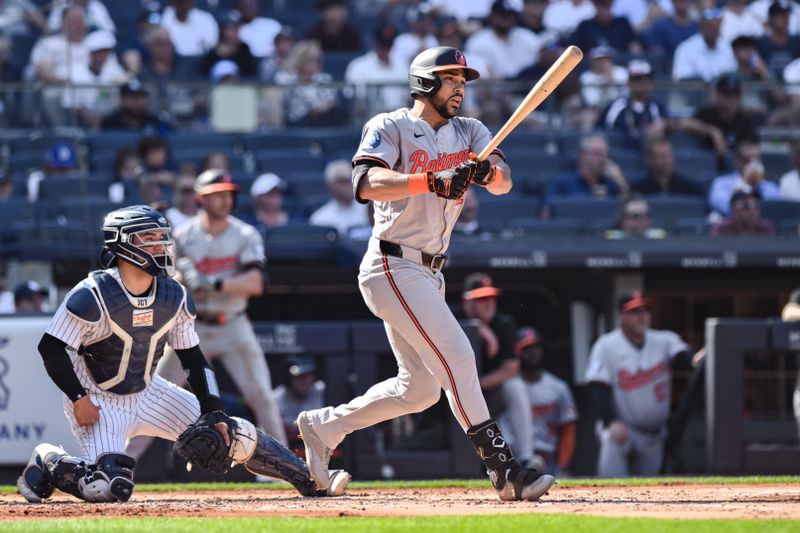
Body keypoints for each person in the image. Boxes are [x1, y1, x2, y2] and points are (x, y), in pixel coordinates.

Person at [295, 46, 555, 500]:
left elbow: (504, 181)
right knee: (459, 356)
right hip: (391, 263)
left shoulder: (471, 131)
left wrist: (484, 171)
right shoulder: (390, 125)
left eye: (463, 80)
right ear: (425, 82)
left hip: (430, 271)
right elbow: (365, 184)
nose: (460, 88)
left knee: (418, 391)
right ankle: (504, 470)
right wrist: (432, 180)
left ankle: (324, 427)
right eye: (451, 79)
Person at [16, 205, 350, 503]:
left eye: (162, 238)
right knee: (108, 488)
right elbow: (52, 347)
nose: (161, 246)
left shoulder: (174, 295)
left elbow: (193, 359)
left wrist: (214, 411)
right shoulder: (91, 294)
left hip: (149, 390)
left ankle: (311, 479)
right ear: (123, 244)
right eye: (149, 238)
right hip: (98, 400)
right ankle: (50, 461)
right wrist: (78, 398)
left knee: (235, 434)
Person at [585, 292, 695, 477]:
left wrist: (695, 359)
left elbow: (683, 359)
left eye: (645, 311)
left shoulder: (664, 339)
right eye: (635, 312)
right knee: (612, 480)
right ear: (621, 317)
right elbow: (597, 386)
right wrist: (611, 421)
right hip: (622, 429)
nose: (642, 316)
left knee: (648, 489)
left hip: (653, 433)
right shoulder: (606, 345)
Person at [458, 273, 536, 468]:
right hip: (454, 399)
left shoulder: (503, 324)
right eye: (481, 299)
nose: (489, 304)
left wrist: (478, 386)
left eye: (491, 298)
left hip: (486, 394)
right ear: (467, 302)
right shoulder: (452, 317)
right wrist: (478, 329)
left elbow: (511, 369)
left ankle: (527, 456)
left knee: (515, 386)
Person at [514, 327, 578, 477]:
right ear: (517, 352)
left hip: (549, 460)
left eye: (536, 347)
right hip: (515, 460)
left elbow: (568, 430)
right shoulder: (509, 389)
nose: (533, 352)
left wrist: (563, 465)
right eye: (527, 348)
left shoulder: (558, 387)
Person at [542, 133, 627, 217]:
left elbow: (627, 214)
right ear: (582, 156)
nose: (603, 159)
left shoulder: (612, 184)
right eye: (598, 154)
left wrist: (621, 183)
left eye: (605, 155)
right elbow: (546, 213)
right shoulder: (562, 183)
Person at [681, 74, 759, 164]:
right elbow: (685, 124)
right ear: (717, 95)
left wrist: (740, 149)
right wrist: (713, 131)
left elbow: (753, 146)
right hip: (706, 165)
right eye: (726, 95)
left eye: (734, 95)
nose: (730, 100)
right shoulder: (708, 113)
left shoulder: (745, 120)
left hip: (736, 168)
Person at [598, 59, 668, 148]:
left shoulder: (657, 107)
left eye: (647, 79)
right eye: (637, 79)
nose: (643, 83)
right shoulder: (615, 107)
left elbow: (671, 124)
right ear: (629, 82)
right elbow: (601, 131)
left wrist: (665, 124)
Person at [464, 0, 542, 80]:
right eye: (502, 15)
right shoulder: (478, 41)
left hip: (528, 87)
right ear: (492, 17)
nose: (506, 19)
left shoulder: (528, 37)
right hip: (496, 90)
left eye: (510, 15)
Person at [707, 140, 780, 217]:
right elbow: (726, 208)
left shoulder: (770, 187)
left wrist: (755, 185)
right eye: (747, 160)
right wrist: (745, 183)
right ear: (737, 161)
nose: (753, 164)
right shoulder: (721, 183)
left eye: (757, 160)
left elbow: (773, 211)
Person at [275, 356, 326, 453]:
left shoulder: (321, 391)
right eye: (299, 376)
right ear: (289, 378)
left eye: (308, 375)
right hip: (285, 452)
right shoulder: (276, 399)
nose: (305, 380)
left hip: (319, 450)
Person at [672, 8, 736, 82]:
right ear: (701, 26)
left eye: (716, 26)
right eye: (710, 26)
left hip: (723, 92)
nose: (713, 29)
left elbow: (732, 75)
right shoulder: (686, 48)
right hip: (695, 92)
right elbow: (682, 79)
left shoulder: (727, 47)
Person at [310, 159, 370, 236]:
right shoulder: (320, 219)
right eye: (342, 181)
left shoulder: (370, 209)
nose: (348, 185)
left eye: (350, 180)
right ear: (330, 185)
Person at [632, 137, 705, 196]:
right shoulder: (638, 189)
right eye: (661, 157)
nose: (667, 161)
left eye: (669, 156)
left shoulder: (690, 188)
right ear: (649, 160)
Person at [569, 0, 642, 55]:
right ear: (595, 5)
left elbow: (634, 45)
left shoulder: (622, 23)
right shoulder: (585, 26)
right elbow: (573, 48)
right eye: (603, 6)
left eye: (608, 5)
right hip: (592, 71)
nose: (606, 10)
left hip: (620, 68)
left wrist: (635, 52)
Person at [102, 79, 167, 133]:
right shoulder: (111, 123)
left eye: (141, 98)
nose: (138, 102)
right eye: (134, 98)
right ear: (122, 100)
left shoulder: (153, 121)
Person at [710, 188, 776, 236]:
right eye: (746, 205)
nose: (753, 210)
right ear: (733, 209)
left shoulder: (765, 229)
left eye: (756, 205)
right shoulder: (722, 229)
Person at [603, 195, 668, 239]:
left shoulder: (660, 238)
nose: (643, 220)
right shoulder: (610, 239)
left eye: (646, 215)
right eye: (636, 216)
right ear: (622, 220)